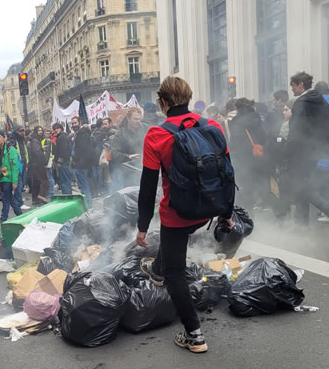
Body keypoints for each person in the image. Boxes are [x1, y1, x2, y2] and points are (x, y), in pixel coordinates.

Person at [136, 76, 233, 354]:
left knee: (174, 272)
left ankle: (194, 335)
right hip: (208, 209)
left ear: (162, 102)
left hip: (177, 214)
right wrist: (226, 213)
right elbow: (227, 173)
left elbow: (147, 187)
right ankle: (155, 271)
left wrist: (142, 226)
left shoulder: (156, 135)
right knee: (167, 258)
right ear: (189, 98)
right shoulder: (212, 126)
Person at [287, 71, 328, 224]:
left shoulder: (302, 102)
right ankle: (301, 225)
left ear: (301, 85)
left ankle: (303, 223)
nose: (292, 89)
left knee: (305, 188)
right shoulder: (322, 101)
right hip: (320, 151)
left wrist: (288, 151)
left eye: (293, 86)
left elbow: (296, 130)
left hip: (303, 153)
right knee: (309, 186)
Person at [229, 98, 267, 216]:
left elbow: (234, 142)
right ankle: (254, 211)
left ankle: (243, 214)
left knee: (241, 186)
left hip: (242, 159)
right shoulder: (258, 118)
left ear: (238, 108)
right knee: (255, 185)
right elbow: (265, 136)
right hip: (256, 157)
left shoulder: (237, 121)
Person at [110, 107, 149, 190]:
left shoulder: (146, 128)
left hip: (146, 168)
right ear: (128, 118)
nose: (138, 121)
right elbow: (113, 153)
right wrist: (128, 156)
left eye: (139, 119)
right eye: (135, 119)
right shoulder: (120, 133)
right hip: (129, 172)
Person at [0, 130, 23, 221]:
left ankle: (3, 220)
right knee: (10, 199)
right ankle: (21, 215)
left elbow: (15, 167)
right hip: (1, 178)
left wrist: (15, 181)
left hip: (8, 178)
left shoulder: (11, 149)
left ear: (4, 137)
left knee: (6, 199)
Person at [70, 116, 94, 208]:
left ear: (79, 122)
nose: (74, 125)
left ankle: (88, 205)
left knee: (84, 186)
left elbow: (82, 149)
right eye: (72, 123)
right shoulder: (78, 133)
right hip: (79, 164)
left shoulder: (82, 133)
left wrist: (77, 160)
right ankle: (87, 204)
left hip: (81, 164)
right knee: (83, 186)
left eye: (75, 123)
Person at [28, 126, 49, 205]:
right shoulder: (35, 140)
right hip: (38, 163)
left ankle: (35, 199)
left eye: (41, 130)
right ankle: (41, 195)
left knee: (36, 182)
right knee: (44, 180)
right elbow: (37, 152)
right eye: (38, 130)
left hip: (35, 163)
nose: (40, 132)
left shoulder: (35, 140)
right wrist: (44, 159)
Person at [52, 122, 72, 194]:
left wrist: (60, 161)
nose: (56, 130)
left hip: (63, 162)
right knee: (63, 180)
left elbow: (64, 150)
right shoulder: (60, 137)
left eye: (57, 128)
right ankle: (66, 195)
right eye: (55, 129)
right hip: (63, 162)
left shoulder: (62, 137)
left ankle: (68, 195)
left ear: (61, 128)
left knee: (65, 180)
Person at [42, 129, 55, 199]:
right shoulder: (47, 140)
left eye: (48, 133)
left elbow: (47, 153)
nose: (47, 134)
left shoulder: (48, 141)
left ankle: (50, 193)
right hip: (48, 160)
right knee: (49, 177)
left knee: (49, 177)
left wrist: (45, 162)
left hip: (48, 161)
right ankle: (50, 192)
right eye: (46, 133)